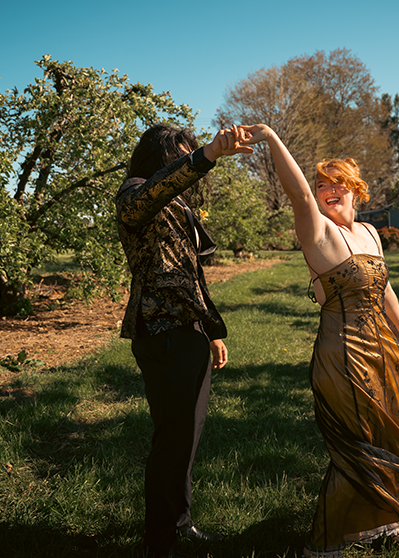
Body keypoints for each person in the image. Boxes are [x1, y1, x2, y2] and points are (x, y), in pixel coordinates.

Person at [239, 124, 399, 558]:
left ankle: (386, 518)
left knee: (389, 430)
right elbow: (298, 193)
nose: (327, 190)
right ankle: (322, 545)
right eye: (322, 183)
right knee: (357, 442)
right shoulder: (318, 232)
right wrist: (270, 137)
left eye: (336, 183)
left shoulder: (370, 233)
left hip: (381, 345)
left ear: (355, 189)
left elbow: (385, 289)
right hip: (341, 351)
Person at [115, 124, 252, 558]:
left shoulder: (175, 205)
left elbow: (190, 274)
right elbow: (155, 190)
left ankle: (179, 523)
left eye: (190, 151)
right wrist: (208, 153)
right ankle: (159, 544)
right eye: (180, 151)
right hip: (162, 331)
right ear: (159, 154)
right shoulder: (135, 193)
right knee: (171, 441)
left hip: (189, 332)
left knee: (185, 440)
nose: (187, 157)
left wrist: (210, 331)